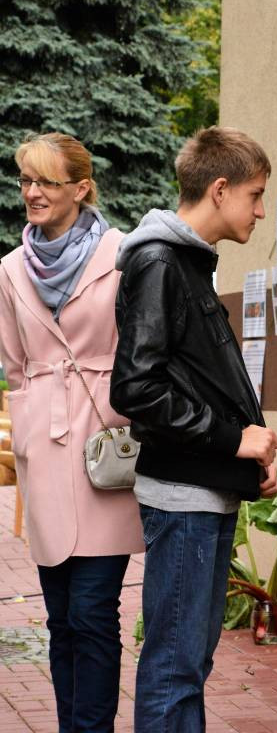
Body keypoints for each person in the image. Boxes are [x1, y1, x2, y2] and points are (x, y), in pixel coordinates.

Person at [109, 126, 277, 732]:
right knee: (175, 667)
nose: (261, 211)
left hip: (203, 492)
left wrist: (245, 462)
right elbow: (136, 389)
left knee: (191, 663)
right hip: (182, 499)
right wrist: (234, 441)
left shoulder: (188, 264)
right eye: (256, 195)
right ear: (219, 188)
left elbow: (196, 378)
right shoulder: (159, 262)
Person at [0, 132, 144, 731]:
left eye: (46, 182)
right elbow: (13, 361)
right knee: (59, 616)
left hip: (103, 447)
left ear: (81, 189)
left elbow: (143, 349)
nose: (31, 192)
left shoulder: (124, 255)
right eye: (25, 181)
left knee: (92, 611)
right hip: (45, 456)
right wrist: (29, 420)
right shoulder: (9, 269)